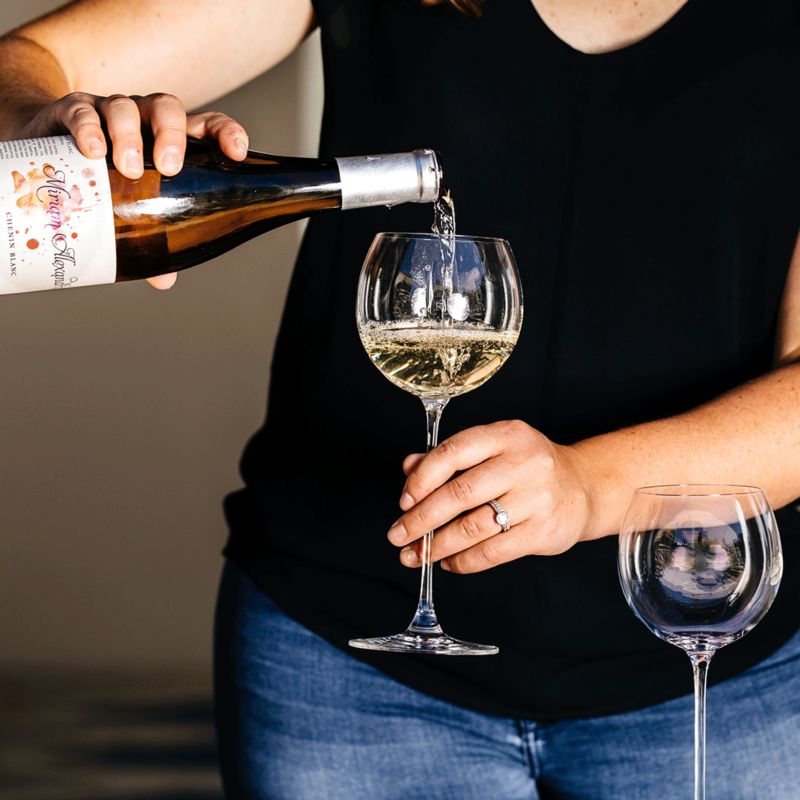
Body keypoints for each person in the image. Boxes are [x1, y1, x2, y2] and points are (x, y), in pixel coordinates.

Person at [1, 0, 799, 797]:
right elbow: (25, 62)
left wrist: (588, 487)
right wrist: (44, 118)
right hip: (345, 666)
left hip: (717, 665)